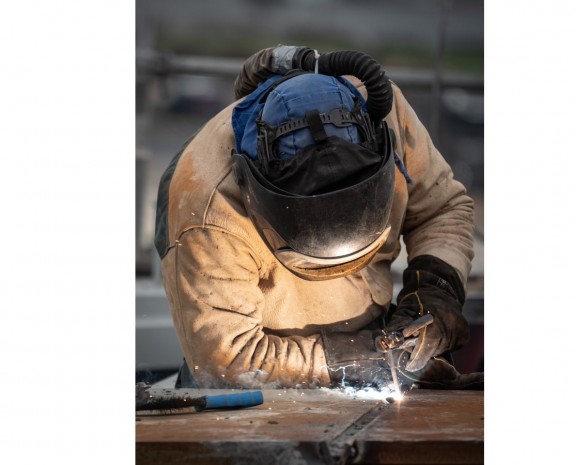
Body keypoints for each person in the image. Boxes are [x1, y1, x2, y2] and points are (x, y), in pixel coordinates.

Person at [155, 45, 483, 391]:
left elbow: (440, 207)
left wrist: (434, 290)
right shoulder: (207, 211)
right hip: (264, 376)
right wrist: (361, 358)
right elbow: (228, 360)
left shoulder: (381, 112)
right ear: (254, 191)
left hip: (377, 339)